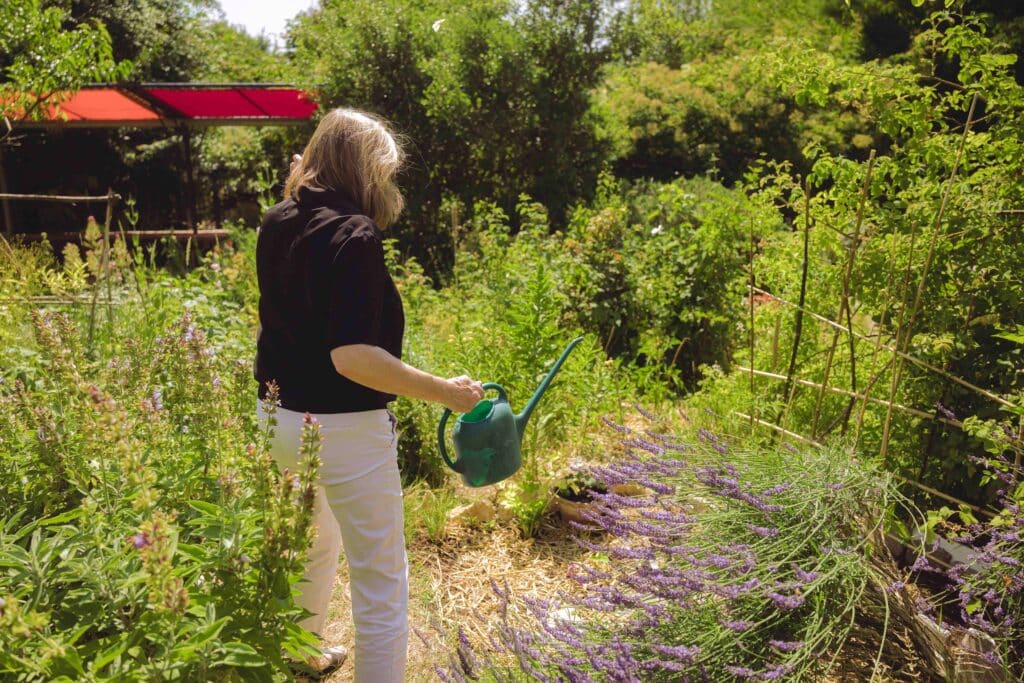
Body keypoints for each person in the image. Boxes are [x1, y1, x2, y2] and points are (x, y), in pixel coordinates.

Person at [254, 108, 484, 682]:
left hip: (277, 417)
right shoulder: (354, 233)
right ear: (363, 168)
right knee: (381, 580)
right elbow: (351, 356)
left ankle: (303, 652)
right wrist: (446, 393)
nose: (387, 183)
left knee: (313, 540)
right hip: (345, 430)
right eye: (384, 171)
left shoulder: (278, 219)